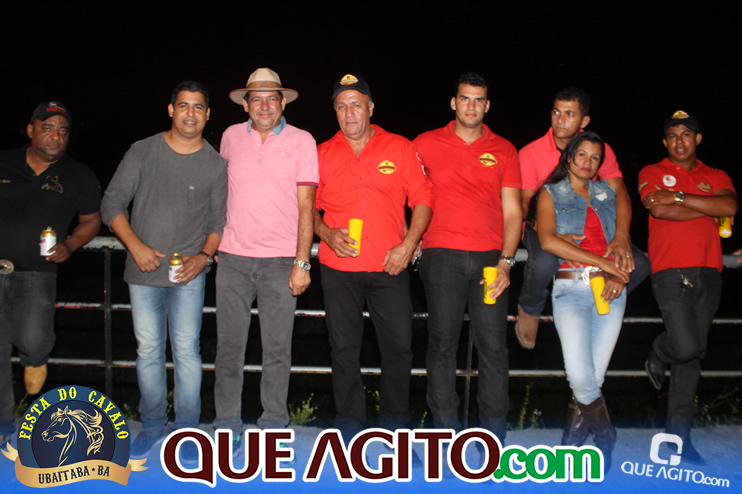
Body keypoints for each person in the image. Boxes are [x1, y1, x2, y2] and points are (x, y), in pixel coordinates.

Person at [100, 81, 227, 462]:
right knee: (149, 350)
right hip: (143, 273)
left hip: (189, 274)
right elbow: (111, 205)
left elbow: (217, 223)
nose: (191, 113)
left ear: (208, 115)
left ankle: (187, 431)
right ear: (171, 110)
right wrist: (136, 246)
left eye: (198, 107)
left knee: (187, 350)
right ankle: (153, 424)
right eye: (183, 105)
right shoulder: (143, 150)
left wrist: (203, 257)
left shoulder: (216, 164)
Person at [314, 74, 434, 439]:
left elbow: (424, 198)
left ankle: (395, 432)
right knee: (343, 350)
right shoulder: (321, 153)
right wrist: (326, 234)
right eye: (341, 106)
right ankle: (350, 432)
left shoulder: (399, 147)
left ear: (370, 108)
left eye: (356, 105)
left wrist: (409, 245)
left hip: (389, 266)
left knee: (398, 350)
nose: (349, 113)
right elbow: (306, 210)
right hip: (339, 268)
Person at [413, 72, 521, 448]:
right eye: (465, 98)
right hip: (441, 256)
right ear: (453, 102)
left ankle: (493, 440)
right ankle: (446, 439)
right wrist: (408, 237)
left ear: (487, 106)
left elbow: (513, 212)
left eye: (478, 100)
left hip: (491, 261)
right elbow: (404, 192)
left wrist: (507, 262)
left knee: (493, 348)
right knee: (443, 345)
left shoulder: (505, 149)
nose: (471, 106)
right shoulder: (425, 143)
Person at [213, 68, 318, 448]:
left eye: (271, 98)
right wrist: (216, 245)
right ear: (245, 105)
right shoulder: (229, 137)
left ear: (282, 102)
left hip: (280, 262)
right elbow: (219, 193)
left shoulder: (303, 140)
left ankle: (273, 425)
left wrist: (302, 263)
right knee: (228, 348)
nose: (264, 106)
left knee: (276, 349)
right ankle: (227, 424)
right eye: (256, 99)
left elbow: (307, 207)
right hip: (233, 259)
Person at [516, 88, 650, 349]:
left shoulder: (598, 149)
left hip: (589, 220)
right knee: (544, 262)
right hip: (541, 222)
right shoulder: (531, 153)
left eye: (569, 114)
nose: (560, 120)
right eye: (556, 112)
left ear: (584, 120)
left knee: (640, 265)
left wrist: (622, 234)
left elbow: (620, 192)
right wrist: (554, 234)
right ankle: (530, 307)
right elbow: (526, 205)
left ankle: (597, 293)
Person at [0, 102, 101, 446]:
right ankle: (3, 427)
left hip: (37, 273)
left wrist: (70, 245)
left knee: (34, 342)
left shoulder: (79, 175)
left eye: (63, 130)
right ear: (30, 130)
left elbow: (91, 220)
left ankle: (33, 377)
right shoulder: (4, 161)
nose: (55, 135)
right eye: (47, 127)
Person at [640, 110, 736, 464]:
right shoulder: (651, 172)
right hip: (670, 270)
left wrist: (679, 197)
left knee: (691, 358)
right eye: (672, 135)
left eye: (686, 134)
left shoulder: (716, 175)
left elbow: (728, 204)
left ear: (698, 138)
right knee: (685, 345)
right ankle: (658, 351)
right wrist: (707, 208)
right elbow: (659, 211)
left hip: (710, 270)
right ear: (665, 141)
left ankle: (678, 439)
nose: (679, 141)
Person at [531, 131, 630, 470]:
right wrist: (603, 262)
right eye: (582, 154)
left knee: (593, 379)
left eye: (595, 157)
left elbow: (622, 247)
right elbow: (547, 240)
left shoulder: (608, 194)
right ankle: (606, 435)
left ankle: (571, 446)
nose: (588, 162)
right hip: (571, 287)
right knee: (579, 375)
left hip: (611, 291)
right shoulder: (550, 193)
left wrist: (618, 273)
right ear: (569, 157)